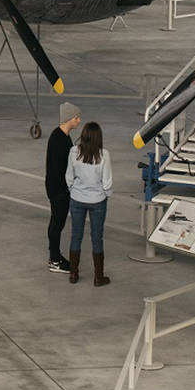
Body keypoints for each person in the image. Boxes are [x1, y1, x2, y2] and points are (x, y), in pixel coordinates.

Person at [66, 121, 112, 286]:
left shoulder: (74, 151)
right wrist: (106, 195)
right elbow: (107, 182)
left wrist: (74, 190)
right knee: (97, 238)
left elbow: (69, 176)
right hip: (97, 200)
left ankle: (73, 274)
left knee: (76, 236)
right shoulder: (104, 155)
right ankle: (98, 277)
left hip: (77, 199)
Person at [45, 102, 81, 274]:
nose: (79, 120)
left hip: (57, 189)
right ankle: (55, 260)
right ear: (69, 118)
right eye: (76, 117)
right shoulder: (59, 139)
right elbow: (60, 169)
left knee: (56, 222)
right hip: (59, 190)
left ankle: (55, 256)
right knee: (57, 224)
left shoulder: (61, 136)